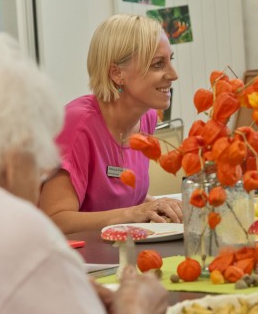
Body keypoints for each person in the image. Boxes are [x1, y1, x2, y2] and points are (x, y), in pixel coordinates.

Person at [0, 32, 168, 314]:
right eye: (38, 151)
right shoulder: (17, 228)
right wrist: (138, 308)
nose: (46, 168)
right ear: (14, 155)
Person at [40, 14, 183, 234]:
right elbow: (55, 220)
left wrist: (157, 206)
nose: (173, 75)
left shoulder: (147, 117)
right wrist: (132, 214)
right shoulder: (77, 125)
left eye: (171, 60)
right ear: (116, 73)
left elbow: (118, 195)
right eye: (158, 64)